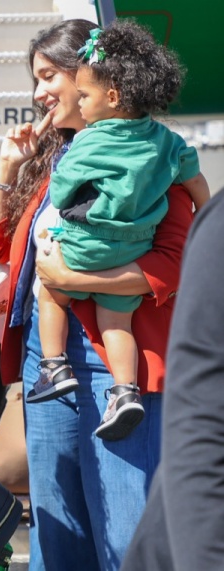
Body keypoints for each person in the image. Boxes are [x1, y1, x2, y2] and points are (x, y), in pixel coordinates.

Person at [0, 18, 194, 571]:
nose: (39, 92)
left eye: (50, 76)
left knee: (124, 534)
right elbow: (2, 251)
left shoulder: (146, 159)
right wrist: (7, 168)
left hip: (113, 369)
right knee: (57, 533)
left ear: (92, 82)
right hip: (48, 366)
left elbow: (172, 266)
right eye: (35, 80)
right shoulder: (61, 162)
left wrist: (79, 281)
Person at [32, 20, 209, 442]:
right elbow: (197, 180)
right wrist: (206, 211)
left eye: (84, 92)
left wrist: (67, 277)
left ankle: (54, 366)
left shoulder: (89, 142)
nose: (80, 99)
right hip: (131, 250)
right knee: (117, 322)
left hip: (85, 251)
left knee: (51, 293)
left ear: (110, 96)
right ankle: (125, 391)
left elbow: (62, 191)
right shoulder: (166, 141)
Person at [120, 191, 222, 570]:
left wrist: (74, 274)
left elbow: (167, 266)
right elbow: (204, 427)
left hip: (137, 373)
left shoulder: (164, 173)